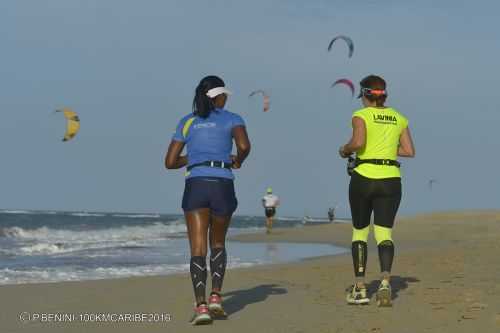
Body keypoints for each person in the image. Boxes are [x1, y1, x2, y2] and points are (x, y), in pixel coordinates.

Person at [165, 75, 251, 325]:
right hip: (222, 184)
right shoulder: (233, 119)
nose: (226, 99)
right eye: (224, 95)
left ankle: (201, 306)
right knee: (218, 244)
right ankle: (216, 297)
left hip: (197, 186)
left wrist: (194, 158)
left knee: (198, 248)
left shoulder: (187, 121)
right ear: (217, 96)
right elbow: (244, 146)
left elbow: (170, 162)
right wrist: (237, 160)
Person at [338, 75, 415, 307]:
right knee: (384, 233)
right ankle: (384, 282)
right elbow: (409, 151)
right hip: (390, 180)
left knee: (360, 233)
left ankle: (360, 289)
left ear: (364, 94)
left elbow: (358, 143)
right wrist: (387, 150)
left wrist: (344, 149)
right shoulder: (399, 118)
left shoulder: (360, 115)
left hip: (364, 177)